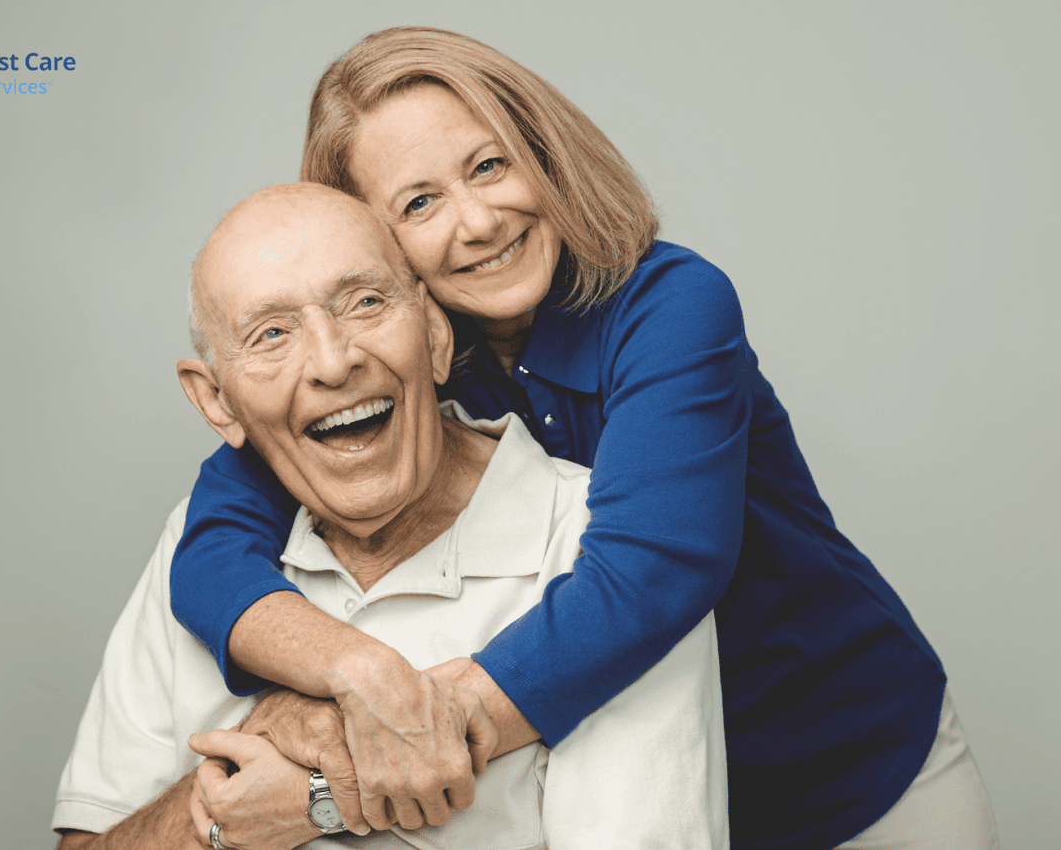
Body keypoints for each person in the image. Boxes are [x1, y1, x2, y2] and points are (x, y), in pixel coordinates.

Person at [173, 28, 998, 849]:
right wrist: (358, 675)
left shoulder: (673, 304)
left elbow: (650, 574)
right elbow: (211, 550)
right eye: (419, 204)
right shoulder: (393, 359)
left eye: (489, 166)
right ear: (375, 244)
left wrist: (356, 774)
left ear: (546, 154)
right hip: (650, 800)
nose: (478, 222)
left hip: (855, 768)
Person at [52, 183, 727, 849]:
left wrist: (323, 797)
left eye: (366, 302)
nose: (332, 361)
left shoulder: (596, 556)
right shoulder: (200, 545)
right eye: (272, 333)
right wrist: (238, 769)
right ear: (217, 402)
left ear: (436, 335)